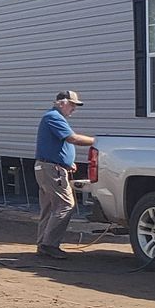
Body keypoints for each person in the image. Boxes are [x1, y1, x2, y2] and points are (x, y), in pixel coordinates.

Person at [35, 91, 96, 259]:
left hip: (48, 168)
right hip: (52, 170)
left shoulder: (52, 117)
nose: (74, 108)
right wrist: (97, 141)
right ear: (61, 103)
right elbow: (73, 139)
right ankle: (49, 245)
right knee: (65, 205)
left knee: (49, 207)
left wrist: (68, 163)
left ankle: (43, 244)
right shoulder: (54, 117)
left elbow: (56, 145)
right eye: (72, 104)